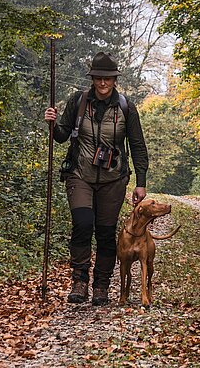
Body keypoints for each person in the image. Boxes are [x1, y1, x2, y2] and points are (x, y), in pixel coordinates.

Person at [44, 51, 148, 305]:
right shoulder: (78, 102)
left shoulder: (126, 107)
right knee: (82, 223)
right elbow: (61, 136)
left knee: (105, 232)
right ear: (92, 78)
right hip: (80, 174)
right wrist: (52, 123)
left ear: (114, 80)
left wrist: (141, 183)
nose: (103, 83)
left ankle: (101, 285)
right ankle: (79, 280)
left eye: (108, 79)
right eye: (98, 78)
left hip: (113, 179)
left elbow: (137, 146)